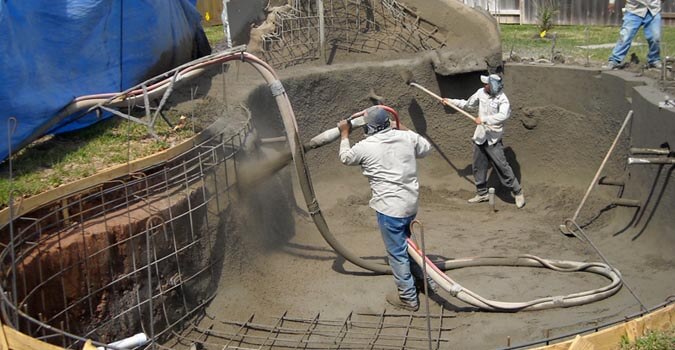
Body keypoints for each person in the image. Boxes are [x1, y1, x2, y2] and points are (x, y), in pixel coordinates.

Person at [337, 106, 433, 312]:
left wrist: (344, 134)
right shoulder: (406, 138)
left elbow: (346, 158)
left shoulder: (366, 145)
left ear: (369, 128)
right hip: (410, 204)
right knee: (408, 243)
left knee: (397, 253)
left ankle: (408, 298)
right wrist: (402, 127)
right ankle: (425, 281)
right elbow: (425, 147)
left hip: (389, 209)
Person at [442, 74, 525, 208]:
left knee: (502, 166)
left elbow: (503, 116)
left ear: (492, 86)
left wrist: (484, 119)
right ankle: (482, 193)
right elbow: (467, 104)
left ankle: (518, 192)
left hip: (493, 139)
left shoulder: (503, 100)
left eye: (486, 84)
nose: (483, 85)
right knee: (478, 165)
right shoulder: (481, 93)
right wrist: (451, 101)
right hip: (480, 137)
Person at [604, 0, 664, 70]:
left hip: (653, 10)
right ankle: (615, 60)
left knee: (655, 37)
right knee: (625, 36)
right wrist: (611, 2)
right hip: (634, 9)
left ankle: (654, 60)